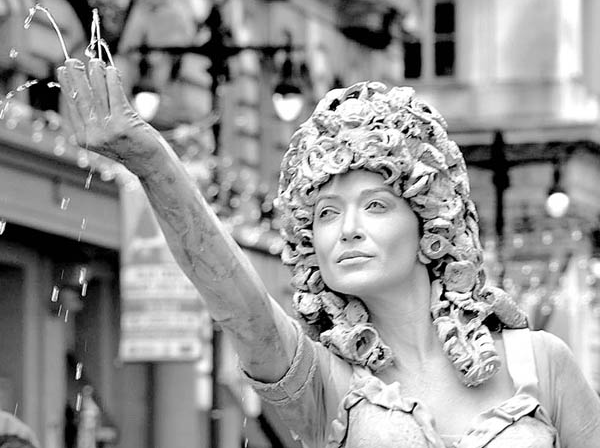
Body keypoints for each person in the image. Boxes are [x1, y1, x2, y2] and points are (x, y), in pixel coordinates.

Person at [57, 57, 600, 447]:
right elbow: (237, 302)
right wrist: (152, 162)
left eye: (376, 205)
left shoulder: (540, 362)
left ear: (429, 222)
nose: (348, 230)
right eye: (326, 213)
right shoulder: (326, 382)